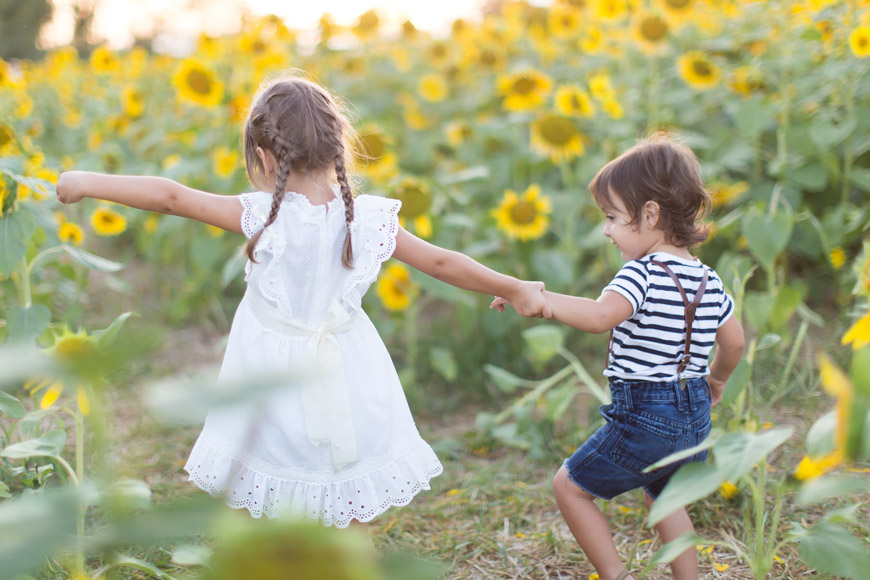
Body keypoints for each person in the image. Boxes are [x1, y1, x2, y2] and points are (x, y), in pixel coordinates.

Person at [56, 73, 552, 529]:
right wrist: (512, 287)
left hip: (268, 371)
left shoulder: (261, 216)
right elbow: (443, 263)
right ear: (339, 144)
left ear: (265, 157)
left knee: (267, 474)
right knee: (345, 474)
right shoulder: (370, 217)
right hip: (349, 364)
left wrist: (86, 182)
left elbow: (170, 196)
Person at [492, 134, 745, 580]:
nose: (606, 229)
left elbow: (600, 316)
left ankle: (614, 574)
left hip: (647, 414)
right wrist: (717, 381)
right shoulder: (710, 279)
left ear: (649, 214)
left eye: (611, 217)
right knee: (666, 499)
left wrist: (539, 297)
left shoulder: (642, 273)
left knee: (569, 488)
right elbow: (736, 342)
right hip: (695, 414)